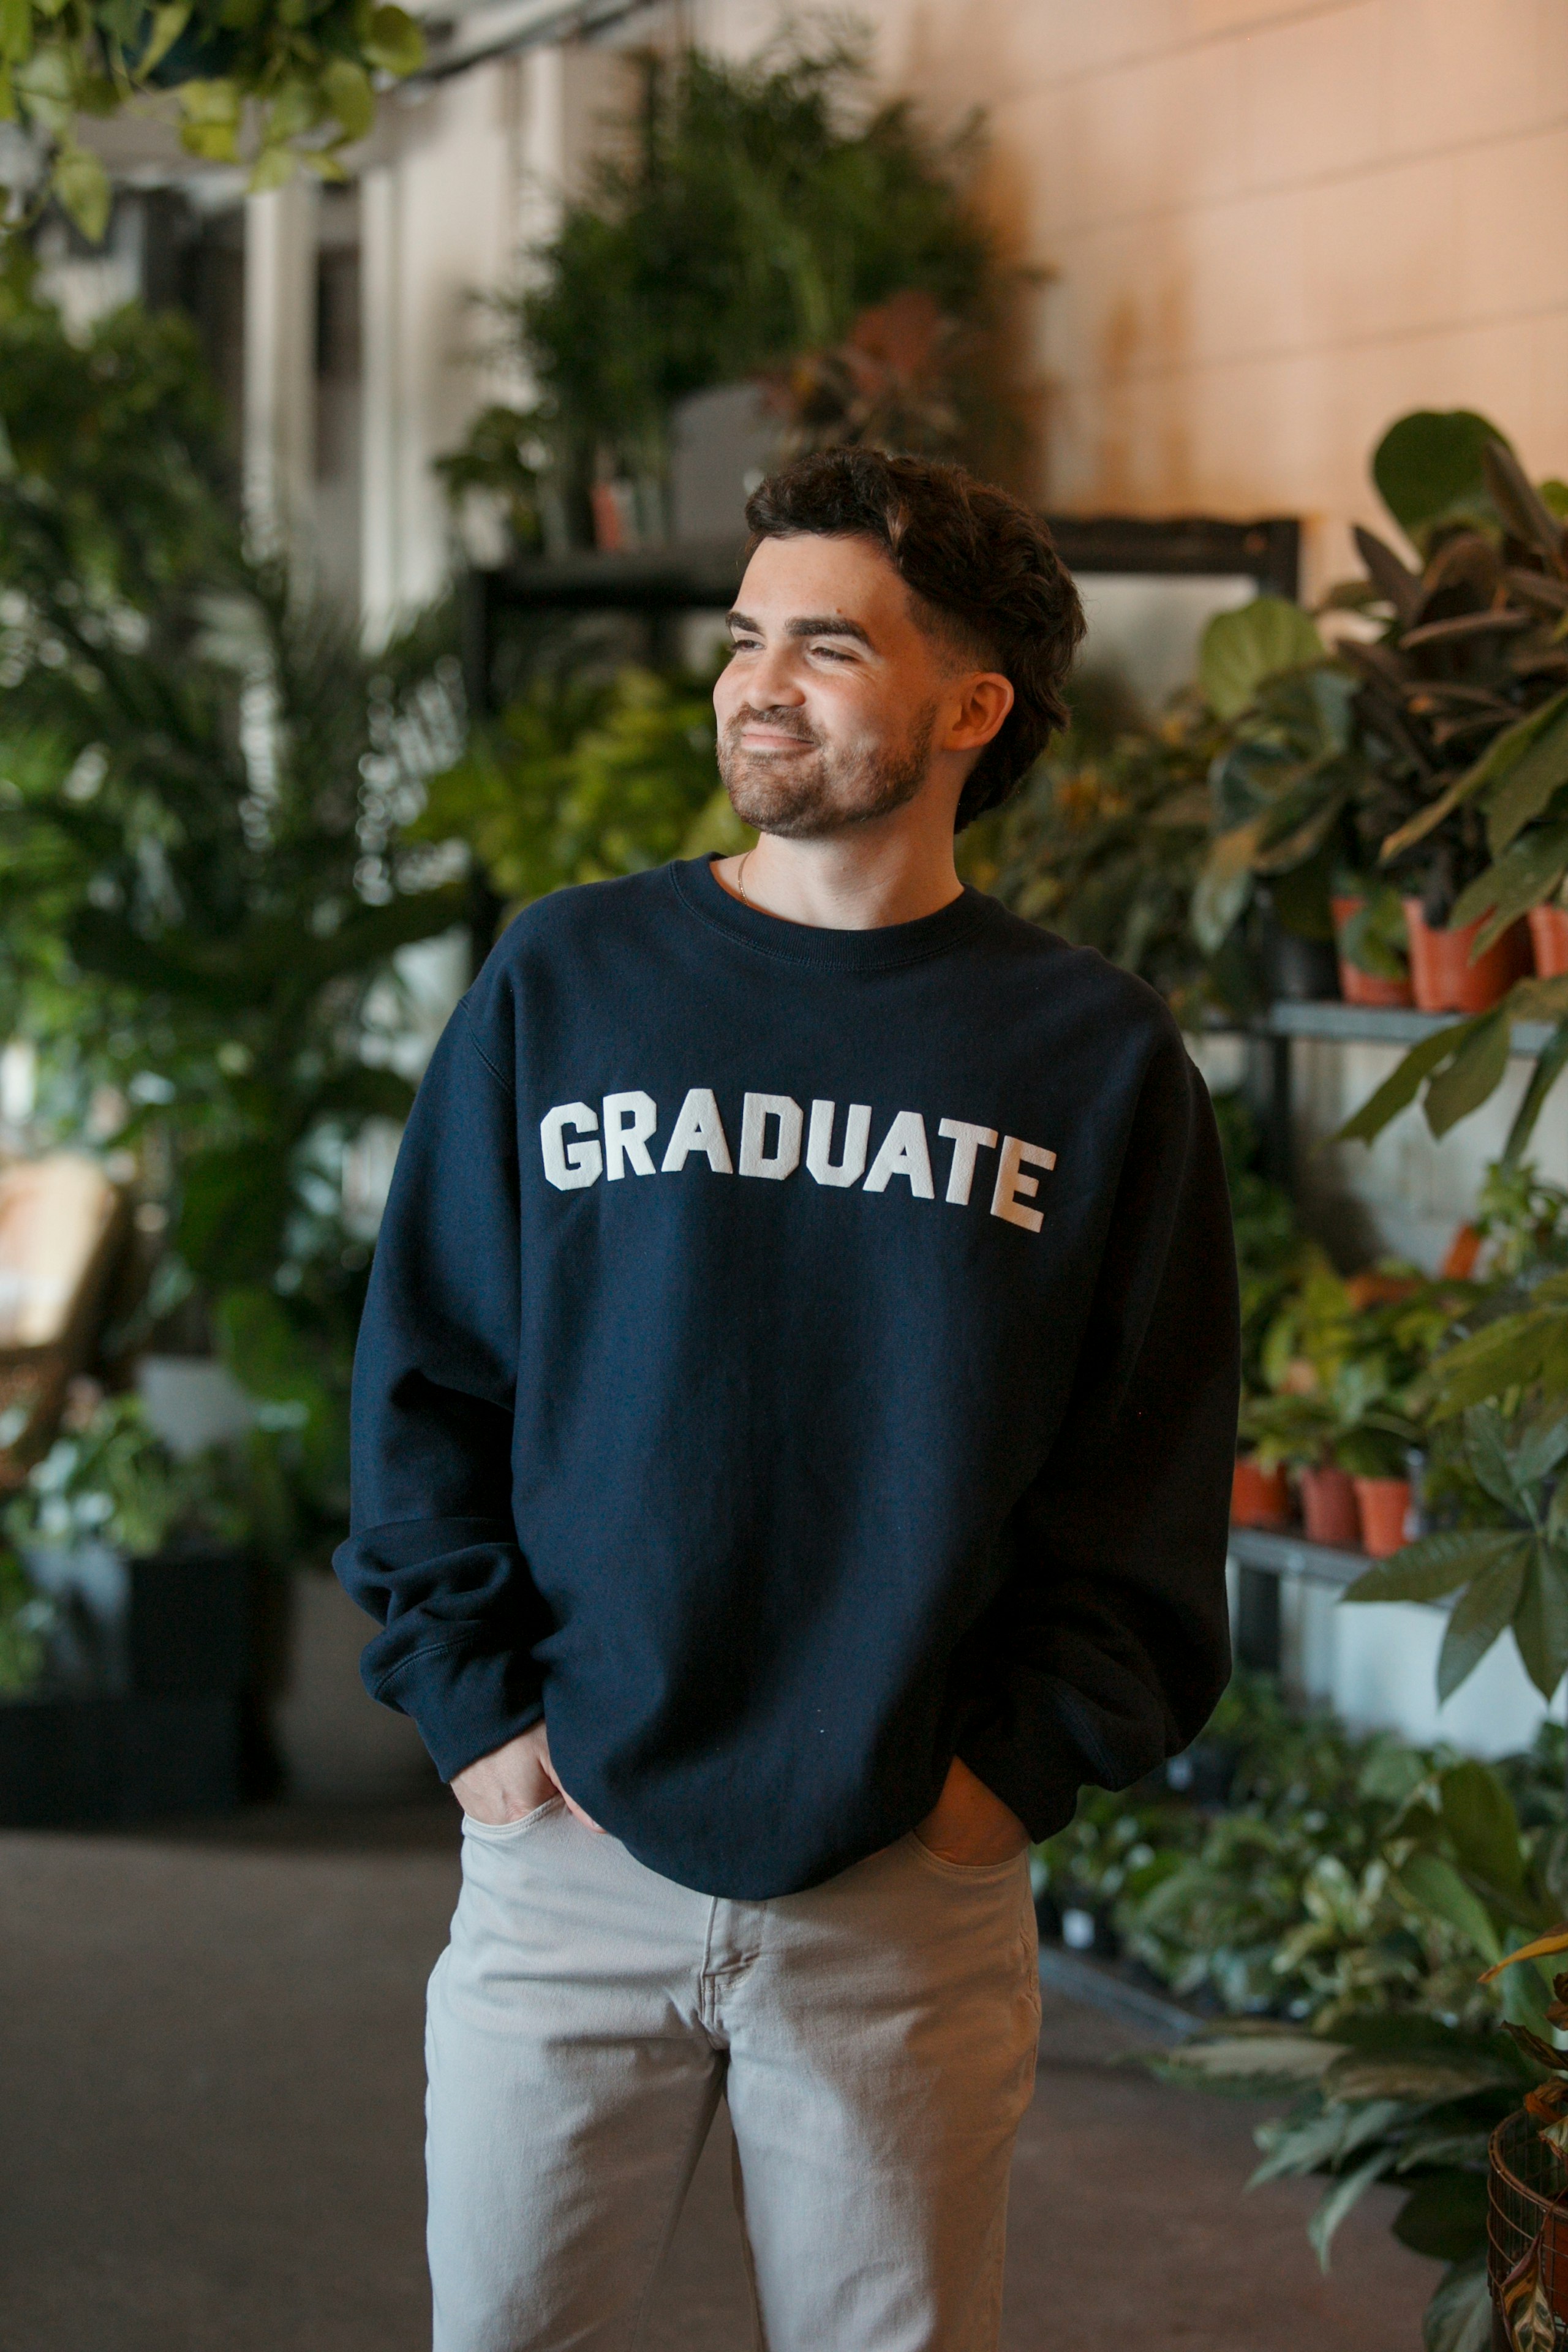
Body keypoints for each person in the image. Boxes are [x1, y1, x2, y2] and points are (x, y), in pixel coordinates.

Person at [336, 448, 1239, 2352]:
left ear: (970, 709)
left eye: (827, 646)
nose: (758, 682)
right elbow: (427, 1373)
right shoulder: (567, 978)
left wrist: (1001, 1789)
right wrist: (482, 1719)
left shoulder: (1090, 1056)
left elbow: (1143, 1479)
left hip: (905, 1888)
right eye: (748, 637)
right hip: (565, 1857)